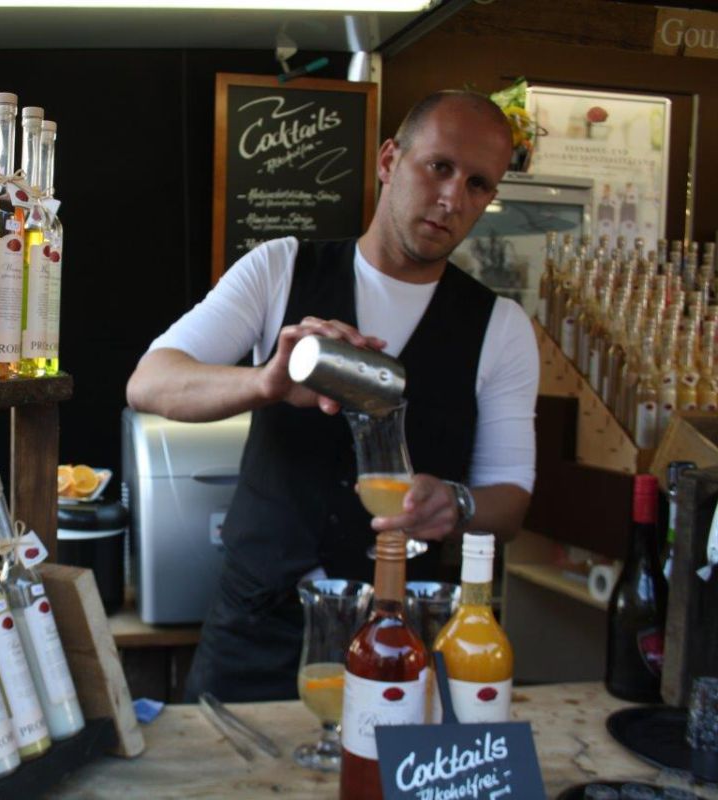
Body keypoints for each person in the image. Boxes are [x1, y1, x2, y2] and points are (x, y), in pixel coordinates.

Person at [125, 90, 540, 702]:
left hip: (396, 641)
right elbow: (149, 382)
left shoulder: (500, 327)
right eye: (440, 167)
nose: (453, 198)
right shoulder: (281, 269)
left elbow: (509, 498)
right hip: (255, 630)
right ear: (389, 159)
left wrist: (457, 505)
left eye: (479, 185)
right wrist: (264, 381)